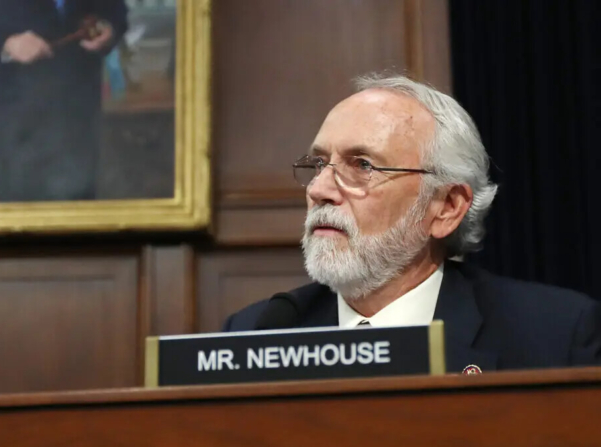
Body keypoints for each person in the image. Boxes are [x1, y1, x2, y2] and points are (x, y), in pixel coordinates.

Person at [222, 73, 601, 373]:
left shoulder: (555, 336)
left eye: (362, 165)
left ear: (446, 207)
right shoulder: (256, 334)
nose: (319, 189)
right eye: (319, 164)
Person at [0, 0, 128, 202]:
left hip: (78, 116)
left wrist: (109, 29)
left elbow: (116, 12)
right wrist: (7, 44)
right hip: (14, 125)